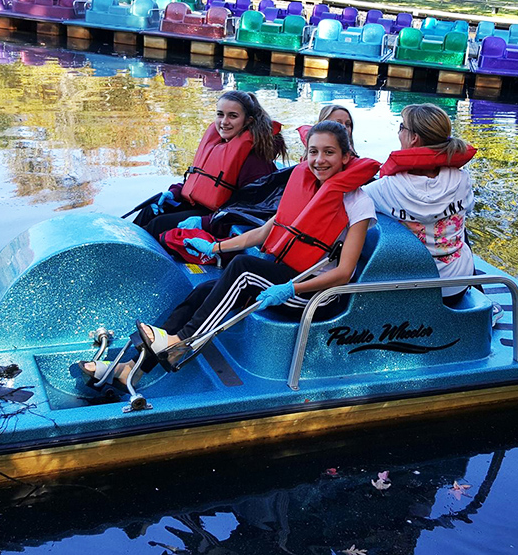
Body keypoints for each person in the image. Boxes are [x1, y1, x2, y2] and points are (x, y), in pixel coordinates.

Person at [80, 121, 379, 388]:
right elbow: (262, 233)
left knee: (244, 268)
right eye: (313, 152)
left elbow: (344, 272)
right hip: (282, 278)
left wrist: (289, 288)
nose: (319, 160)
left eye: (329, 152)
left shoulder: (357, 204)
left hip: (316, 294)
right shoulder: (305, 188)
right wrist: (215, 246)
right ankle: (131, 367)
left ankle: (182, 341)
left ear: (346, 157)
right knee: (203, 290)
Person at [174, 103, 357, 241]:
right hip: (224, 214)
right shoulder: (306, 168)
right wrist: (175, 192)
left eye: (347, 124)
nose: (343, 129)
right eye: (338, 123)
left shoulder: (352, 176)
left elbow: (257, 205)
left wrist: (209, 224)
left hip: (237, 221)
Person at [363, 103, 476, 306]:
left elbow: (350, 206)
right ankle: (480, 293)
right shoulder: (463, 180)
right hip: (457, 286)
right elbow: (468, 206)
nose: (399, 133)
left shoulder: (385, 188)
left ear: (413, 138)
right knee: (461, 229)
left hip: (410, 289)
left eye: (401, 127)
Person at [134, 91, 287, 240]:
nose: (224, 122)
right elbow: (201, 182)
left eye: (233, 116)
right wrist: (175, 192)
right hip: (202, 206)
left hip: (222, 220)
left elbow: (252, 210)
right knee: (149, 210)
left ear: (248, 121)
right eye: (220, 114)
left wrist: (205, 222)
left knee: (158, 225)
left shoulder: (255, 161)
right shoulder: (219, 144)